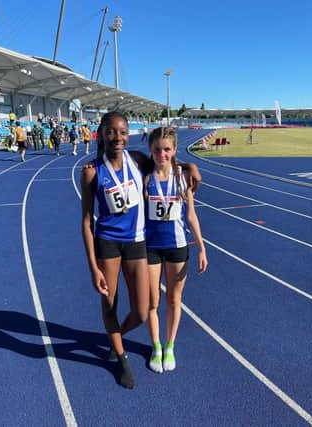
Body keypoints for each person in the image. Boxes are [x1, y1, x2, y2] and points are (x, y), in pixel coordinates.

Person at [81, 111, 150, 389]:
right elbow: (86, 222)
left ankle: (115, 336)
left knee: (142, 312)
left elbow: (165, 163)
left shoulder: (137, 160)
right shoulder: (91, 171)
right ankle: (121, 359)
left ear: (128, 134)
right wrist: (92, 267)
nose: (117, 137)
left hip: (135, 240)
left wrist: (189, 168)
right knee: (110, 304)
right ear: (101, 134)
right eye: (111, 132)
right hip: (107, 242)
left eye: (122, 132)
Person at [144, 127, 208, 374]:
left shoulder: (183, 178)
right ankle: (156, 346)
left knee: (173, 299)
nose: (162, 154)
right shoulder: (144, 177)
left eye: (167, 149)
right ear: (150, 150)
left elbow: (191, 216)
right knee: (152, 301)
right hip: (150, 247)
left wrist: (201, 248)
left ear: (174, 151)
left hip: (178, 247)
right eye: (157, 149)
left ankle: (170, 345)